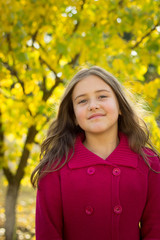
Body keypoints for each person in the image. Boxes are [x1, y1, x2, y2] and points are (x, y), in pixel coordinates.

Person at [31, 66, 160, 240]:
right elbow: (47, 235)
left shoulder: (149, 163)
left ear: (120, 106)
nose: (93, 105)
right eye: (82, 101)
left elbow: (155, 230)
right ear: (74, 116)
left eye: (102, 96)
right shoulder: (55, 168)